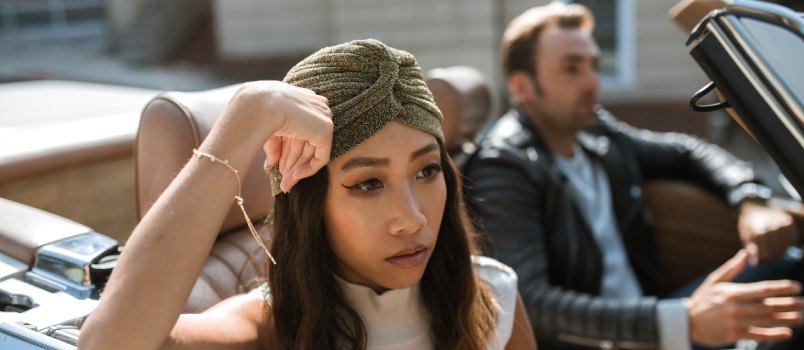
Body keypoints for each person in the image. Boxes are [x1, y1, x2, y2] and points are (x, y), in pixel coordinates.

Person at [78, 39, 537, 350]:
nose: (412, 219)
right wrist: (248, 117)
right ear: (309, 204)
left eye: (427, 171)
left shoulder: (491, 299)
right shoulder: (268, 330)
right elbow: (109, 343)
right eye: (368, 184)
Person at [461, 2, 803, 350]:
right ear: (523, 87)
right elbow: (529, 302)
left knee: (792, 266)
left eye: (594, 65)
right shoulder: (503, 165)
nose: (592, 81)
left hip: (658, 318)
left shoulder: (597, 134)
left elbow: (688, 151)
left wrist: (750, 199)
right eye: (571, 69)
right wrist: (681, 320)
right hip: (612, 338)